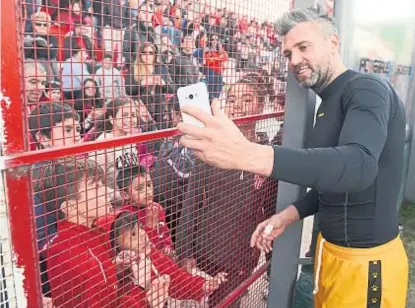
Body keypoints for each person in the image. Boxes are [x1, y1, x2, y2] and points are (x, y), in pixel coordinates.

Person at [177, 8, 408, 308]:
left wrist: (250, 154)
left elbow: (358, 167)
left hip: (366, 265)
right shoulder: (326, 106)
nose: (294, 60)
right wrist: (289, 214)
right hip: (331, 255)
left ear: (333, 43)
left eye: (303, 47)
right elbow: (334, 185)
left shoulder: (367, 88)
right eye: (288, 53)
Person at [176, 73, 278, 308]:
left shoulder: (267, 155)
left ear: (261, 105)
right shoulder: (209, 151)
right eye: (231, 100)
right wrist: (185, 253)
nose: (237, 106)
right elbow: (191, 203)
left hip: (241, 259)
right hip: (203, 255)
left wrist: (272, 261)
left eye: (247, 99)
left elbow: (271, 209)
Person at [38, 159, 169, 307]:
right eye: (96, 187)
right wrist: (140, 287)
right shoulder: (76, 254)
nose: (106, 191)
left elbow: (107, 297)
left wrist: (118, 271)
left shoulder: (92, 235)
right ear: (71, 208)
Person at [116, 165, 174, 256]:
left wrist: (167, 245)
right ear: (125, 195)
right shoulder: (124, 217)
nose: (148, 191)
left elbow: (165, 232)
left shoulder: (157, 207)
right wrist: (150, 226)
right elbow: (141, 249)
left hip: (163, 260)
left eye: (149, 185)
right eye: (139, 188)